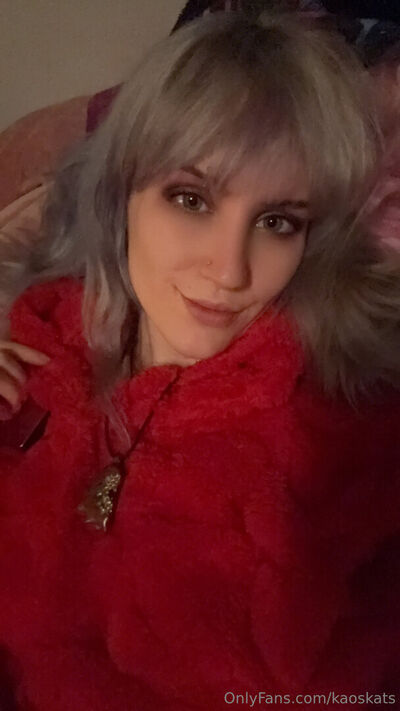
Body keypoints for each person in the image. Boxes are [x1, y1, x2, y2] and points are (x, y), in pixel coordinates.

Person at [0, 8, 400, 710]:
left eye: (277, 221)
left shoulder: (342, 438)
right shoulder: (43, 338)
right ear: (121, 191)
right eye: (192, 199)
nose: (229, 270)